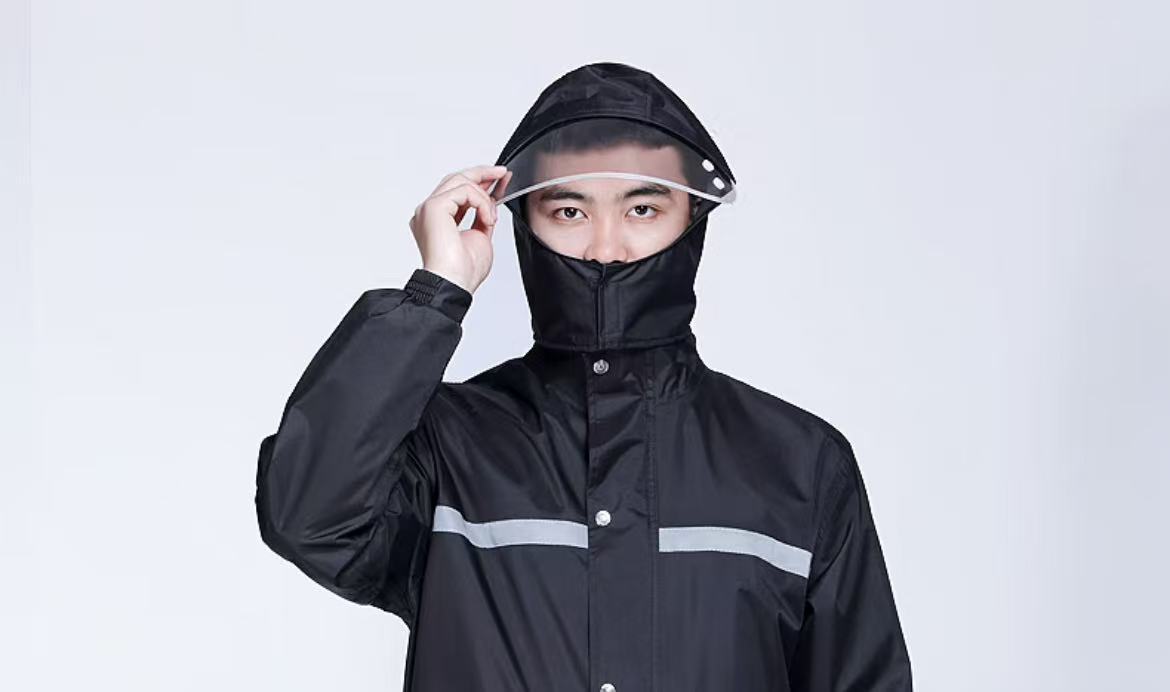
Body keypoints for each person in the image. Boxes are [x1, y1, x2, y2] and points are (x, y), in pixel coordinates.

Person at [255, 61, 913, 691]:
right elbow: (308, 517)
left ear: (692, 221)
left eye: (642, 209)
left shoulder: (797, 464)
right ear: (523, 224)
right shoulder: (448, 450)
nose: (605, 247)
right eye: (570, 212)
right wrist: (436, 291)